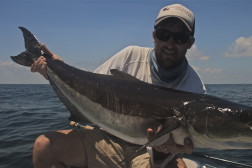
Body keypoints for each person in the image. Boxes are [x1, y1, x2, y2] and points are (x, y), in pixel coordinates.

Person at [31, 4, 206, 168]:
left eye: (180, 37)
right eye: (163, 34)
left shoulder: (195, 88)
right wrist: (57, 69)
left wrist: (167, 151)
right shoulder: (130, 55)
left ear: (190, 42)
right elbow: (89, 86)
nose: (170, 43)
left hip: (151, 152)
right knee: (44, 146)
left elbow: (185, 140)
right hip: (108, 137)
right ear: (154, 36)